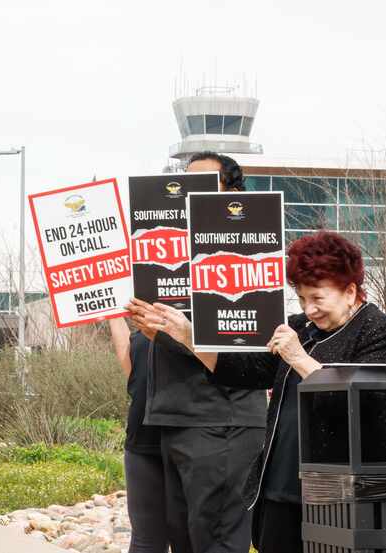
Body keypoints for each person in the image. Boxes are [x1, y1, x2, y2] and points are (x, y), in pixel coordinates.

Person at [131, 231, 386, 552]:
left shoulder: (378, 331)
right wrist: (189, 337)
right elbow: (244, 369)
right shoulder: (300, 327)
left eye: (318, 298)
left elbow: (368, 402)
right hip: (281, 488)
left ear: (350, 291)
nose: (309, 309)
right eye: (302, 299)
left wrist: (300, 358)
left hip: (343, 494)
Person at [127, 152, 267, 553]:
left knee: (215, 537)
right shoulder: (165, 258)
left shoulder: (247, 253)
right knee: (185, 538)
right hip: (175, 418)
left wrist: (171, 334)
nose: (191, 194)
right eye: (186, 184)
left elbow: (245, 344)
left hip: (221, 419)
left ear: (232, 194)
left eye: (205, 185)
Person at [108, 318, 168, 553]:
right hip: (142, 442)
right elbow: (131, 368)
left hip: (190, 441)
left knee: (190, 535)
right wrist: (112, 313)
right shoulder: (143, 334)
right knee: (146, 540)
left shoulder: (195, 324)